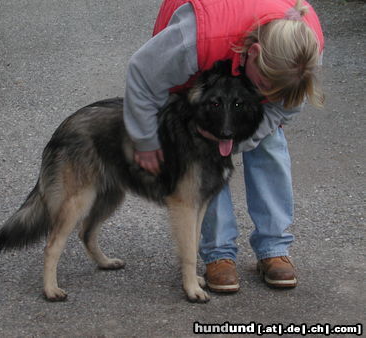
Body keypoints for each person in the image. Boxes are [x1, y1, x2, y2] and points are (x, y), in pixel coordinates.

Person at [123, 0, 324, 292]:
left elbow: (287, 106)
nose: (272, 94)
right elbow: (142, 76)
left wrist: (247, 136)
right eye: (268, 85)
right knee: (202, 156)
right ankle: (219, 253)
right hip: (206, 58)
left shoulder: (306, 48)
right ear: (253, 54)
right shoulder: (194, 36)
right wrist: (145, 140)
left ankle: (274, 247)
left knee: (269, 142)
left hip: (245, 52)